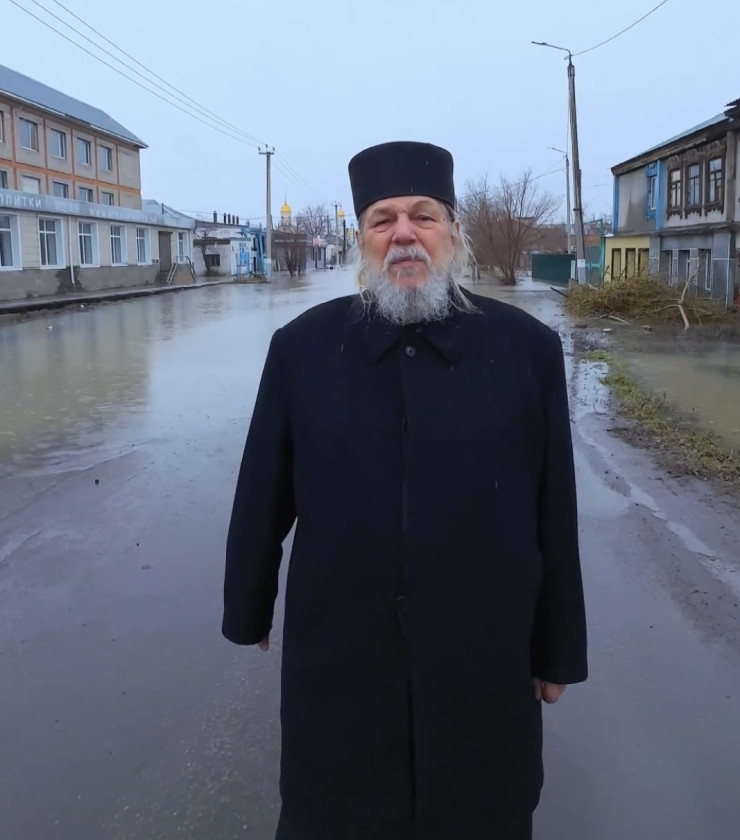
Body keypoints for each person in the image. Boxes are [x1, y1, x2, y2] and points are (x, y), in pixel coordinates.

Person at [223, 141, 588, 840]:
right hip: (341, 657)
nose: (403, 233)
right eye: (382, 219)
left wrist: (558, 650)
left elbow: (554, 513)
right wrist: (248, 604)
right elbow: (262, 491)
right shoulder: (302, 349)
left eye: (423, 215)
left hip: (483, 658)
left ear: (454, 232)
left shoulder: (526, 351)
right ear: (362, 240)